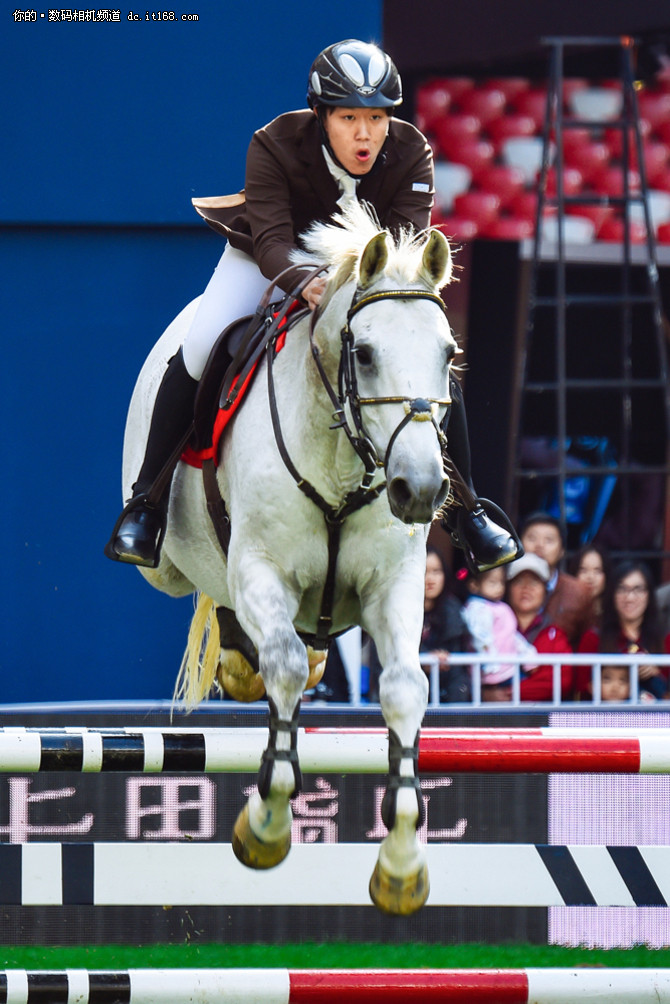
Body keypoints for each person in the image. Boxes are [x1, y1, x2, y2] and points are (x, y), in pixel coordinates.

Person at [105, 39, 520, 573]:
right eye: (349, 117)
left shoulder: (413, 152)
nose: (365, 133)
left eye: (377, 117)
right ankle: (147, 503)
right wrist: (305, 282)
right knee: (203, 342)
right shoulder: (274, 143)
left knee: (426, 360)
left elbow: (405, 249)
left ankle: (467, 510)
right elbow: (274, 241)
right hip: (269, 259)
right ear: (322, 115)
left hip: (362, 277)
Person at [576, 560, 670, 701]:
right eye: (622, 589)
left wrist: (656, 672)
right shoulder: (593, 638)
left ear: (649, 595)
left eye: (638, 589)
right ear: (612, 594)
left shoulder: (665, 639)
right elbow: (581, 691)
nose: (630, 598)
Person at [459, 566, 537, 702]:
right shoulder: (477, 608)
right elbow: (480, 638)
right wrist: (490, 663)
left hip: (509, 668)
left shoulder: (499, 606)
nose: (499, 588)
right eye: (492, 583)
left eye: (501, 582)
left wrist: (527, 653)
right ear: (474, 585)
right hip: (492, 673)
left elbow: (511, 635)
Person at [506, 553, 573, 702]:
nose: (526, 588)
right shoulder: (494, 626)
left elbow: (560, 681)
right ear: (508, 589)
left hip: (540, 720)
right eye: (519, 581)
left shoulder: (555, 634)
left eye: (534, 582)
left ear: (545, 592)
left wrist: (507, 693)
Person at [519, 512, 593, 647]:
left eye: (549, 540)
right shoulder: (505, 585)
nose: (539, 545)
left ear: (562, 550)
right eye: (532, 538)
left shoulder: (578, 592)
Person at [421, 547, 471, 703]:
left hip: (449, 702)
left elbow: (459, 672)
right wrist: (422, 661)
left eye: (436, 571)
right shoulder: (398, 613)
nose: (430, 579)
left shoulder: (454, 611)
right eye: (423, 571)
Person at [568, 542, 611, 628]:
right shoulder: (566, 614)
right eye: (583, 570)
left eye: (597, 571)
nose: (590, 577)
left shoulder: (613, 615)